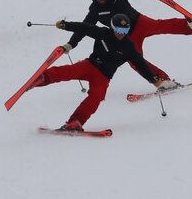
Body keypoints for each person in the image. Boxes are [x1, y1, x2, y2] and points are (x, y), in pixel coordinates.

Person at [29, 14, 172, 131]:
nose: (121, 34)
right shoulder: (104, 33)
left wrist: (154, 80)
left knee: (96, 98)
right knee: (67, 71)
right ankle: (42, 78)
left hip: (103, 76)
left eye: (124, 31)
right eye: (118, 30)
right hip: (90, 65)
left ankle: (75, 123)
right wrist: (66, 25)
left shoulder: (129, 47)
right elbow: (84, 28)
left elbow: (141, 65)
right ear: (113, 27)